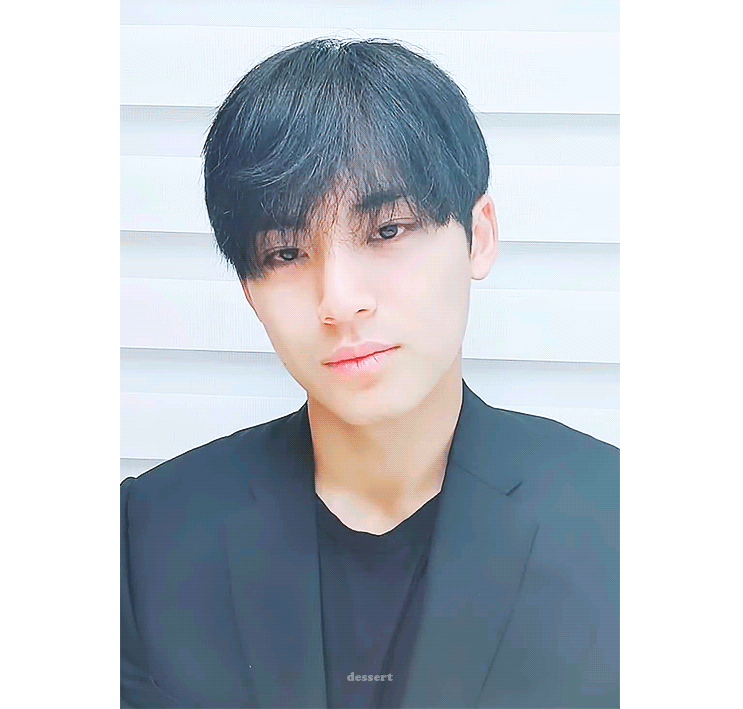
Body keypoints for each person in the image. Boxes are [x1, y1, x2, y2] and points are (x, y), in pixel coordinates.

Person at [121, 38, 619, 708]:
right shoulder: (147, 534)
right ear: (247, 289)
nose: (338, 300)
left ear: (478, 235)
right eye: (285, 252)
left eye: (386, 231)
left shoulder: (621, 518)